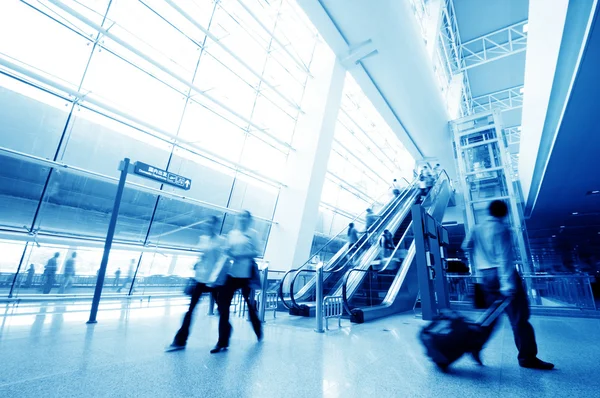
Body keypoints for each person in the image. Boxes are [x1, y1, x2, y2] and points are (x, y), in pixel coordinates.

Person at [461, 200, 554, 370]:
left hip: (485, 275)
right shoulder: (502, 229)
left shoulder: (476, 228)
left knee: (492, 316)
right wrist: (506, 283)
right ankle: (527, 358)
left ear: (489, 212)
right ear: (504, 213)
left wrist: (479, 259)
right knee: (519, 318)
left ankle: (475, 345)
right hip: (502, 275)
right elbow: (504, 257)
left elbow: (465, 246)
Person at [167, 216, 225, 351]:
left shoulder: (221, 241)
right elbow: (203, 256)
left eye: (211, 223)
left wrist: (216, 278)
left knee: (222, 311)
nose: (208, 225)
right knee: (190, 309)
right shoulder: (203, 239)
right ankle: (180, 341)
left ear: (216, 225)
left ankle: (224, 339)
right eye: (207, 222)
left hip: (215, 281)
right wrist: (197, 264)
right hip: (201, 279)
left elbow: (221, 261)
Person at [211, 210, 262, 354]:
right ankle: (222, 341)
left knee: (249, 305)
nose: (241, 219)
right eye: (239, 216)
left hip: (246, 276)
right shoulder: (231, 234)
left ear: (249, 219)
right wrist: (227, 252)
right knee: (223, 306)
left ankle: (257, 328)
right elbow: (226, 251)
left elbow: (257, 252)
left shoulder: (253, 234)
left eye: (244, 216)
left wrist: (240, 255)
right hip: (231, 274)